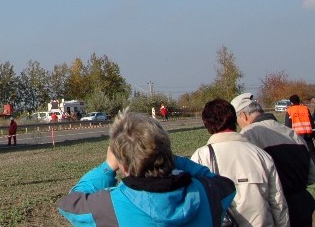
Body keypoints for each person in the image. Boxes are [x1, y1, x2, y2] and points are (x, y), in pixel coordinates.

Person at [58, 110, 234, 227]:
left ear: (123, 165)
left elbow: (69, 204)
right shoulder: (208, 192)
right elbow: (223, 183)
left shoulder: (109, 206)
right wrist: (168, 157)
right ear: (166, 153)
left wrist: (107, 167)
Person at [190, 98, 288, 227]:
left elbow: (195, 203)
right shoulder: (260, 154)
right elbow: (277, 201)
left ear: (206, 124)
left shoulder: (201, 156)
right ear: (234, 119)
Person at [232, 92, 315, 227]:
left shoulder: (248, 135)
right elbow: (311, 176)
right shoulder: (292, 134)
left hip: (276, 209)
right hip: (303, 205)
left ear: (243, 115)